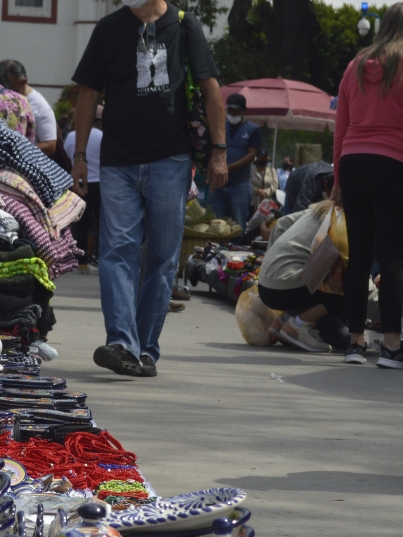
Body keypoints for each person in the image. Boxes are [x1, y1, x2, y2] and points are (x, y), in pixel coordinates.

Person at [71, 0, 227, 377]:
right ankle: (122, 342)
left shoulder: (185, 26)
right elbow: (88, 93)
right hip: (118, 160)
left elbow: (210, 89)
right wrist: (79, 155)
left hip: (170, 158)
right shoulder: (109, 29)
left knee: (161, 257)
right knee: (117, 250)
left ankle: (145, 349)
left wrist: (220, 151)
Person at [332, 2, 403, 369]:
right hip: (393, 165)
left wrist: (337, 177)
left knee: (359, 255)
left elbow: (341, 127)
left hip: (353, 164)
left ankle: (355, 343)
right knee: (392, 257)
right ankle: (392, 347)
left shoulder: (356, 67)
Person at [257, 200, 349, 352]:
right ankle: (299, 325)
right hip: (284, 288)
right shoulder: (343, 222)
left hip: (265, 285)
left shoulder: (318, 209)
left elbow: (281, 224)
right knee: (348, 287)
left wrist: (270, 263)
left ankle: (284, 320)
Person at [207, 93, 261, 227]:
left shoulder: (253, 129)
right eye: (230, 110)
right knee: (216, 223)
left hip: (239, 185)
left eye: (236, 110)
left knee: (237, 225)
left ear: (244, 110)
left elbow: (251, 155)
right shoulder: (221, 127)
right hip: (219, 184)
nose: (233, 113)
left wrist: (228, 168)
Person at [64, 104, 104, 270]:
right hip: (99, 183)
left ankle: (81, 260)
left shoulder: (72, 136)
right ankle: (102, 257)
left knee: (80, 222)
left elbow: (66, 156)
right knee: (103, 222)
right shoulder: (102, 135)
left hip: (77, 182)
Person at [0, 59, 58, 155]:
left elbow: (50, 145)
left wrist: (16, 152)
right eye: (4, 88)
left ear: (23, 82)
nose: (8, 93)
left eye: (13, 88)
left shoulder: (40, 106)